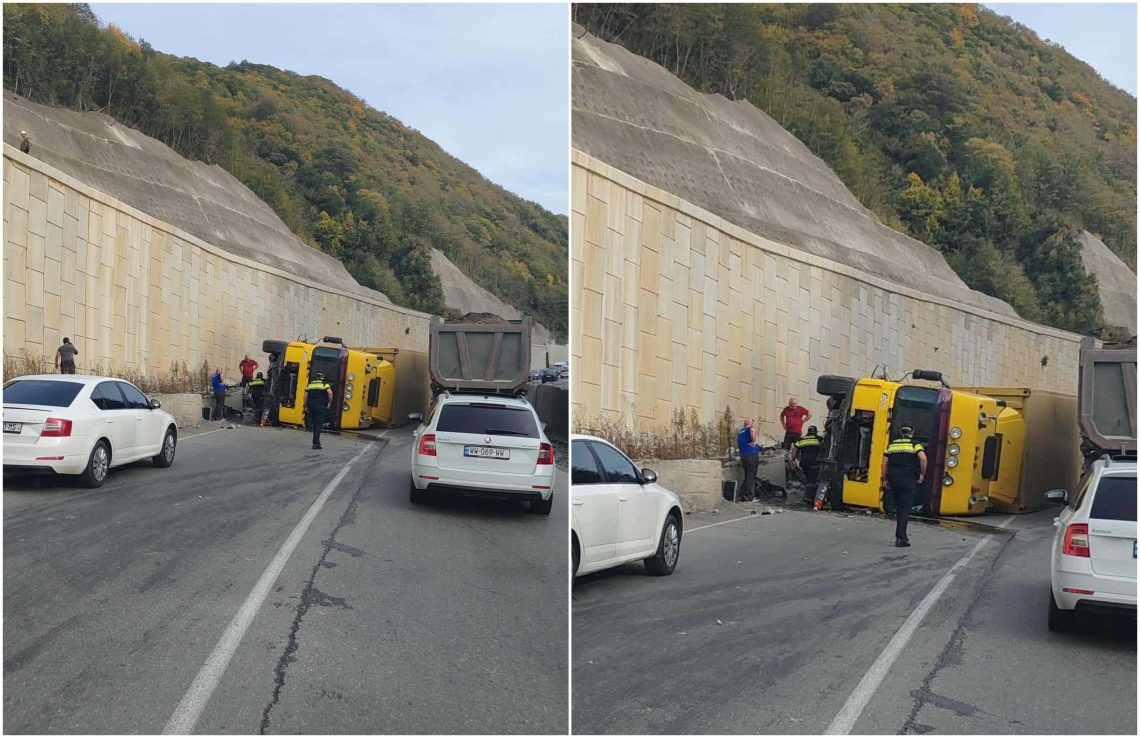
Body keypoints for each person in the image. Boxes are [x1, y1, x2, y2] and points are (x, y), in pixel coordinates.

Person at [881, 426, 927, 548]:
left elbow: (884, 462)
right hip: (908, 479)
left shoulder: (892, 445)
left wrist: (885, 478)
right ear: (913, 432)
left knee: (898, 507)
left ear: (901, 432)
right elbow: (922, 458)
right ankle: (901, 538)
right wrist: (922, 474)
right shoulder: (915, 444)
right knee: (904, 508)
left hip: (894, 479)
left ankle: (901, 535)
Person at [791, 426, 823, 504]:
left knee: (808, 478)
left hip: (804, 463)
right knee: (813, 480)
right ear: (815, 432)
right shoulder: (819, 439)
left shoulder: (801, 439)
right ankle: (810, 498)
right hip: (815, 463)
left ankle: (807, 496)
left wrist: (793, 460)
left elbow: (794, 450)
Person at [306, 372, 333, 449]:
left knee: (314, 424)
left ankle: (315, 441)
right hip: (320, 407)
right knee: (318, 425)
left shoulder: (310, 384)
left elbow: (305, 396)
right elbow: (330, 393)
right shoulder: (325, 384)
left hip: (311, 406)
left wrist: (306, 406)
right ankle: (316, 443)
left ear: (316, 376)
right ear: (323, 377)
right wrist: (329, 403)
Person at [737, 418, 761, 502]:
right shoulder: (749, 429)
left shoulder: (741, 432)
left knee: (747, 475)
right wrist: (754, 441)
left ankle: (741, 495)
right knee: (751, 476)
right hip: (751, 455)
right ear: (750, 424)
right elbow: (752, 431)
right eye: (753, 423)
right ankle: (749, 496)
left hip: (744, 456)